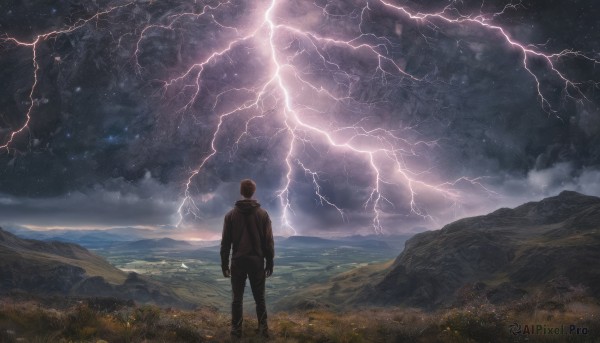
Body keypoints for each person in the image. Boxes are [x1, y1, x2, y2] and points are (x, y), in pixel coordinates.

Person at [221, 179, 275, 339]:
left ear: (241, 192)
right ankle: (263, 330)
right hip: (257, 262)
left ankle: (236, 331)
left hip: (237, 262)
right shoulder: (263, 214)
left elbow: (225, 243)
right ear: (253, 192)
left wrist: (224, 263)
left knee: (236, 298)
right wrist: (270, 261)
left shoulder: (230, 215)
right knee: (260, 298)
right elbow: (268, 241)